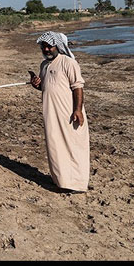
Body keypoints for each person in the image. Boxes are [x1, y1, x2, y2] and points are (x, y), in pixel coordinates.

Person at [30, 31, 90, 193]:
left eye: (49, 46)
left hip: (69, 115)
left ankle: (77, 184)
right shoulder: (44, 65)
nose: (47, 49)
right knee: (56, 147)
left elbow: (78, 87)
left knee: (74, 147)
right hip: (51, 115)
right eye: (44, 46)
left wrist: (77, 110)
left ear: (58, 46)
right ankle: (62, 182)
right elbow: (46, 87)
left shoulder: (68, 63)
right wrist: (36, 84)